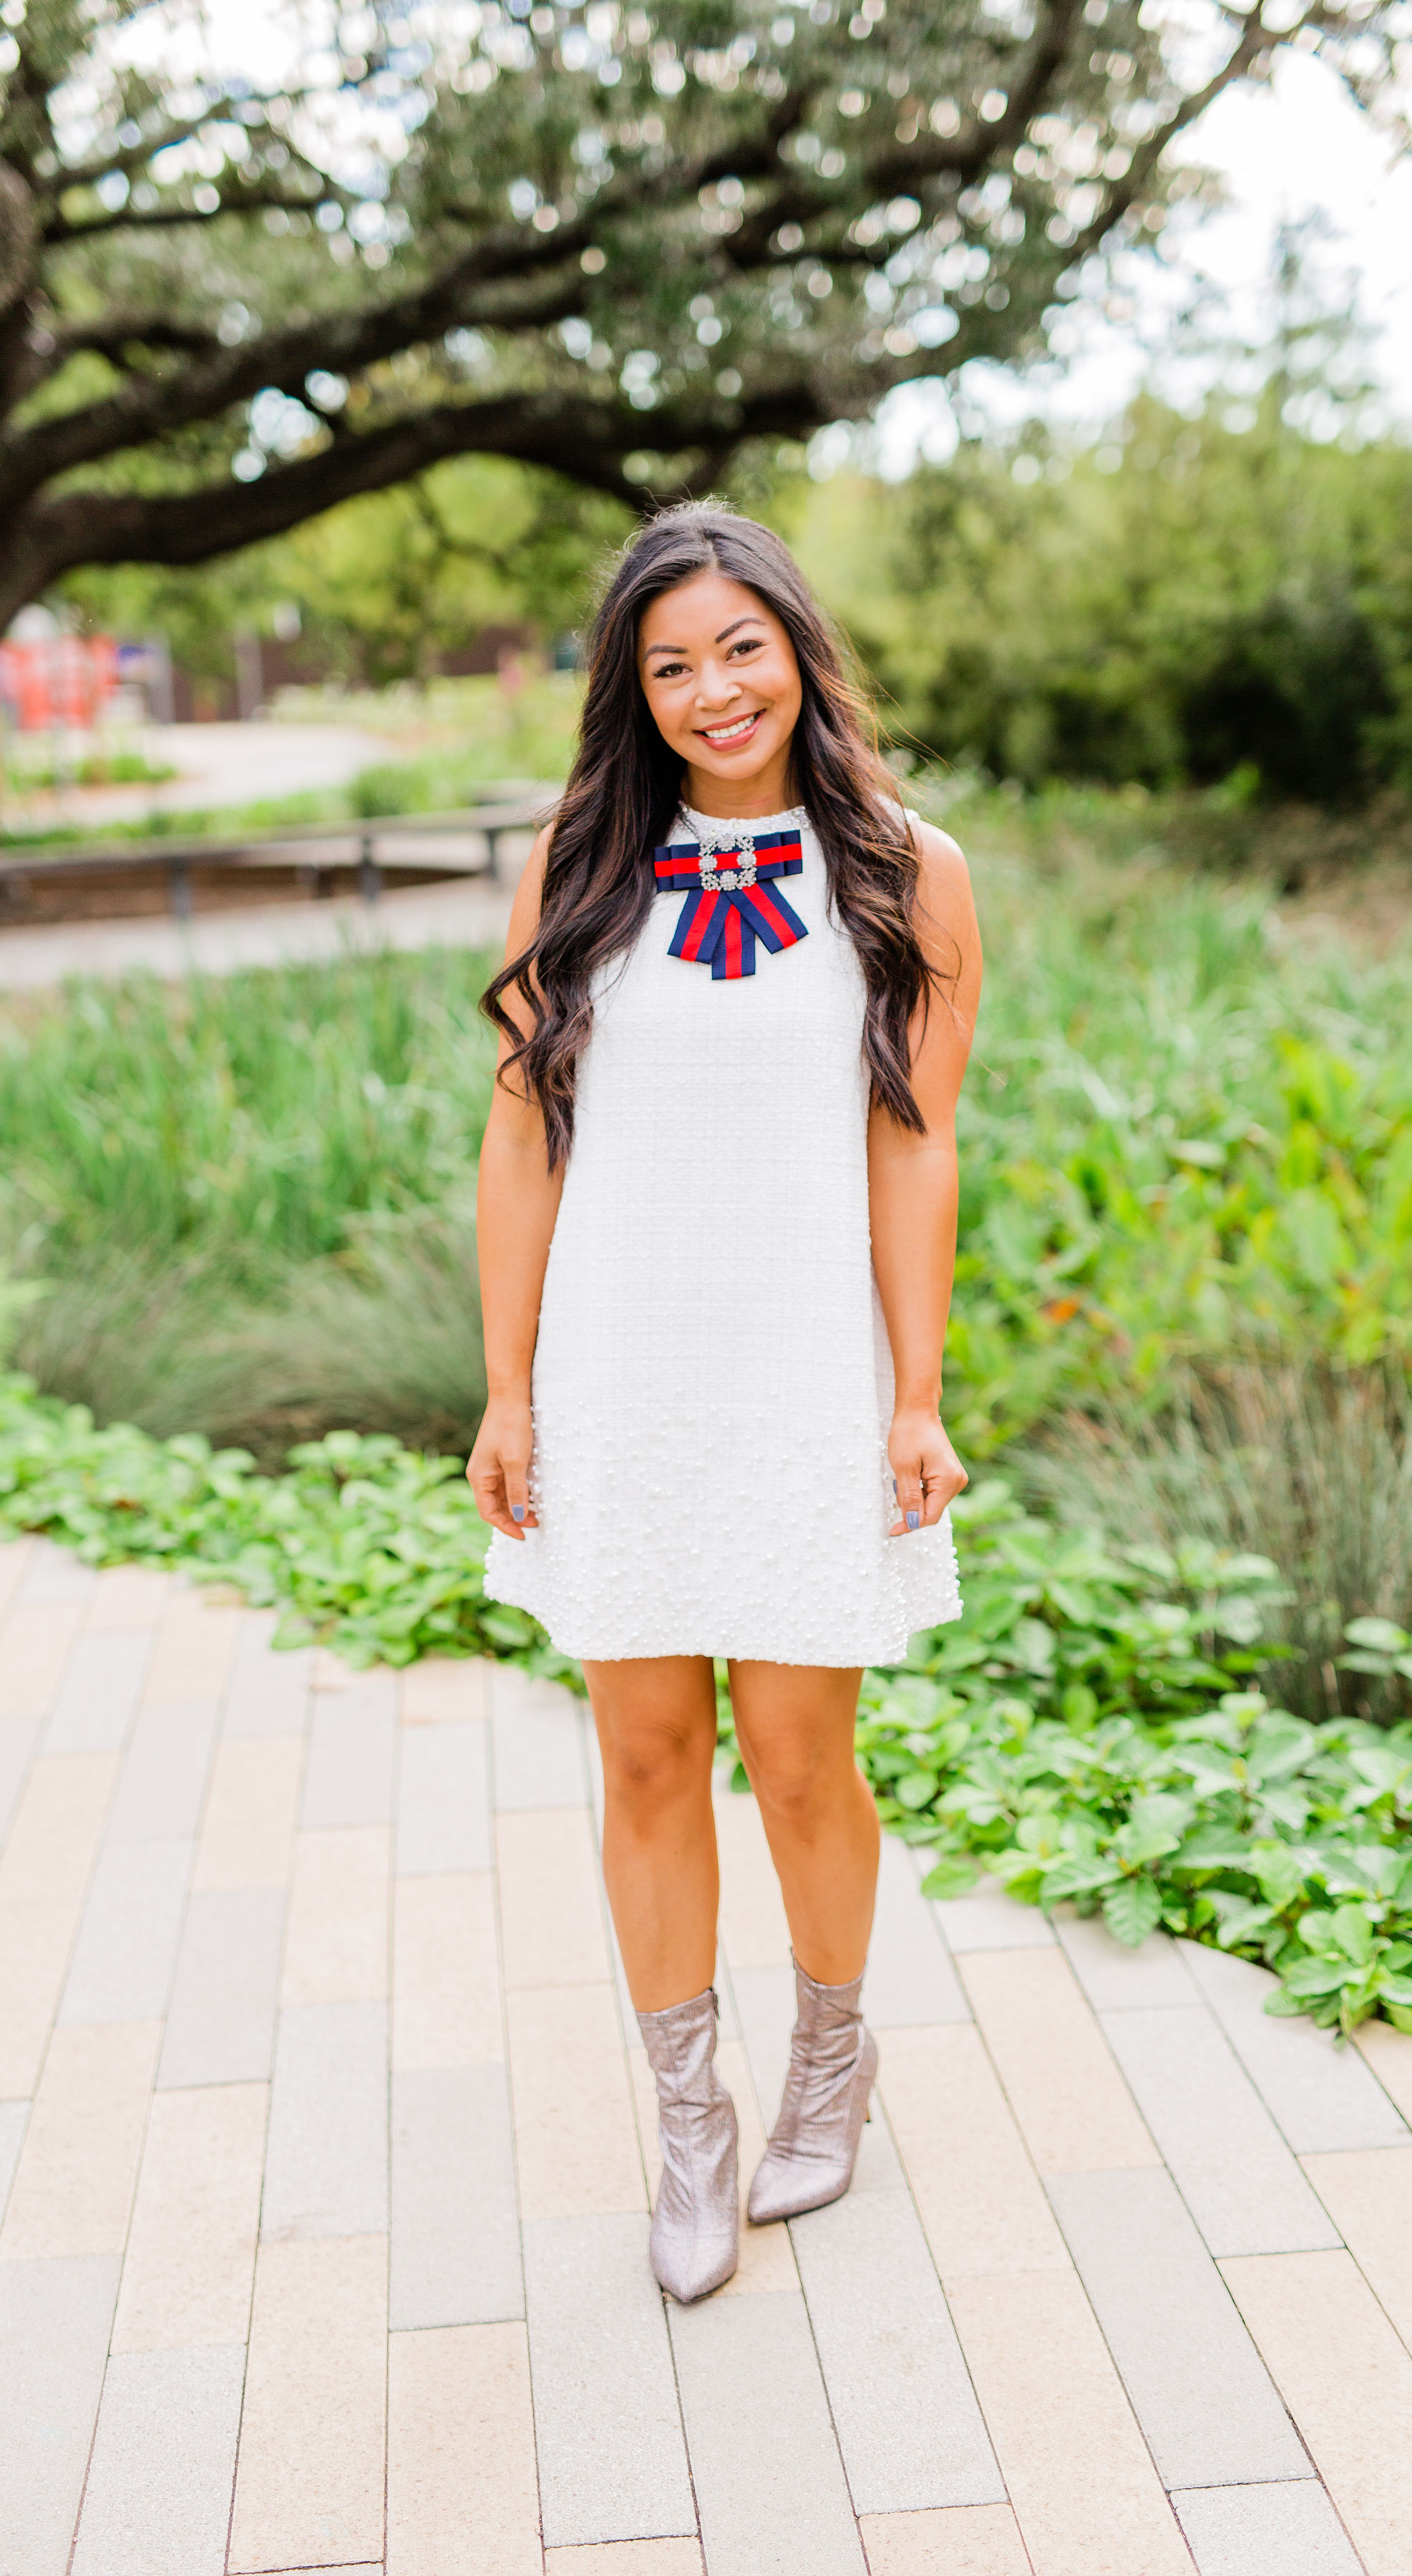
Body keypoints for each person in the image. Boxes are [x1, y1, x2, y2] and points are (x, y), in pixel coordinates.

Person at [468, 504, 981, 2301]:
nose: (711, 691)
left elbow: (911, 1157)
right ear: (633, 686)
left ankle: (831, 2064)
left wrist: (914, 1398)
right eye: (669, 663)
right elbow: (524, 1135)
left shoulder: (911, 872)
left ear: (795, 646)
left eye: (737, 648)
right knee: (640, 1747)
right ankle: (690, 2123)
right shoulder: (579, 862)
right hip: (621, 1363)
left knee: (797, 1750)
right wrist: (508, 1388)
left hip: (803, 1368)